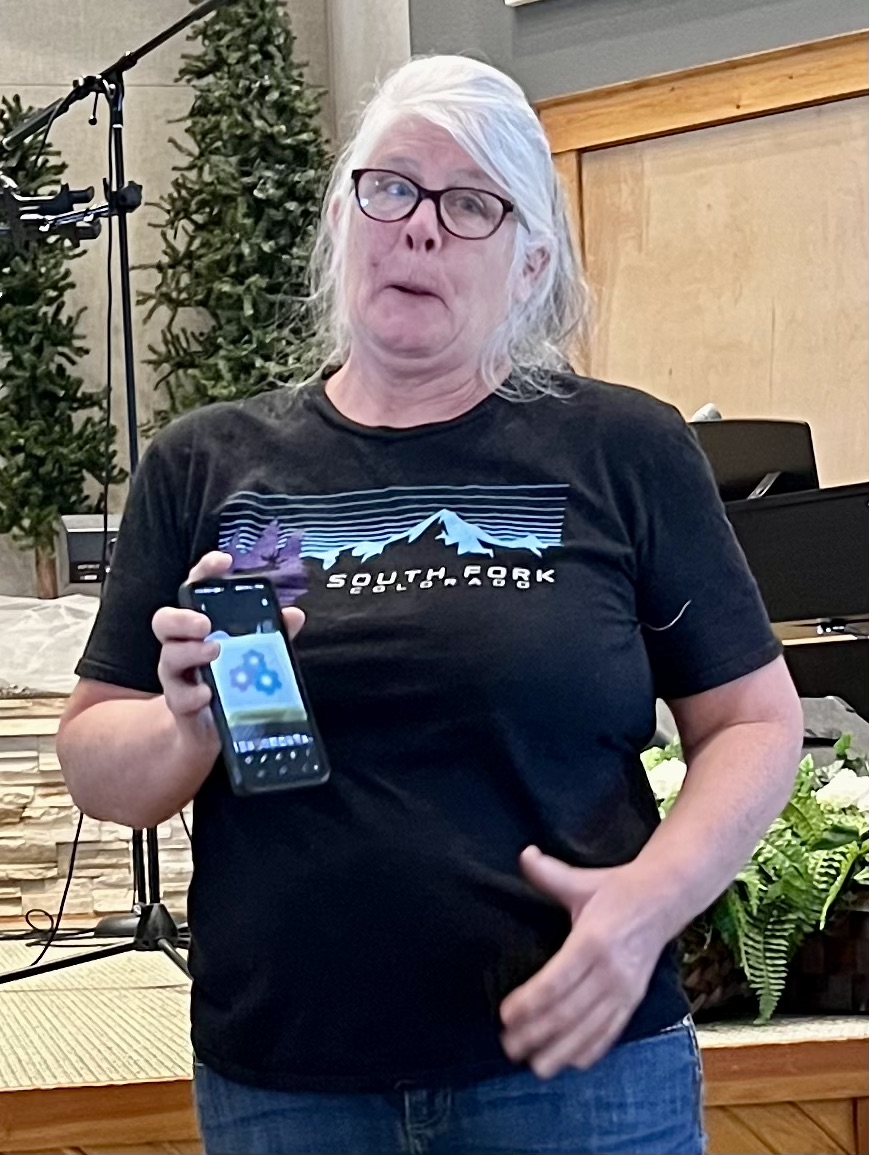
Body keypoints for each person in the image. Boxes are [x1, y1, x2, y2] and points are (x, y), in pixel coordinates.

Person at [57, 54, 803, 1155]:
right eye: (392, 187)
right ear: (341, 217)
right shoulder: (205, 463)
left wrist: (653, 897)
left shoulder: (622, 448)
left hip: (580, 1075)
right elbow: (96, 765)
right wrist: (185, 723)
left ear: (530, 261)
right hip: (289, 1081)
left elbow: (752, 719)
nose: (418, 227)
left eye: (470, 205)